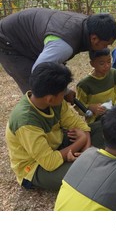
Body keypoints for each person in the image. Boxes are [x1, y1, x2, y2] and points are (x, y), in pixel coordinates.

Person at [4, 62, 104, 191]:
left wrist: (85, 150)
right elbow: (49, 162)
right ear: (50, 99)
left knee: (105, 127)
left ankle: (86, 159)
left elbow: (80, 125)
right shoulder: (25, 121)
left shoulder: (54, 101)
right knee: (87, 173)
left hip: (58, 146)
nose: (66, 96)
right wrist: (82, 141)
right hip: (35, 167)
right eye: (63, 93)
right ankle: (90, 161)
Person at [0, 8, 116, 98]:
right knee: (38, 92)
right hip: (8, 42)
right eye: (106, 44)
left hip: (31, 37)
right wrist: (64, 91)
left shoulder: (87, 24)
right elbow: (39, 71)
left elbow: (54, 62)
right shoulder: (64, 45)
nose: (106, 47)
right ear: (94, 39)